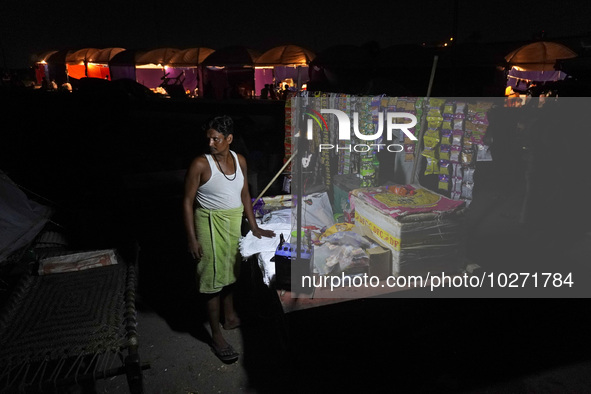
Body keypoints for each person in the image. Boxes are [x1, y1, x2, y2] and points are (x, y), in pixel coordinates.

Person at [183, 115, 275, 363]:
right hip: (210, 224)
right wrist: (192, 239)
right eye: (209, 138)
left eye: (217, 138)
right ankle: (215, 335)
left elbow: (245, 194)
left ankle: (230, 317)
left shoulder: (239, 160)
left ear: (229, 139)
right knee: (212, 278)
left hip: (233, 221)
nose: (211, 143)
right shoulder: (201, 165)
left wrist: (254, 227)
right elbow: (187, 202)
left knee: (230, 270)